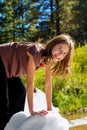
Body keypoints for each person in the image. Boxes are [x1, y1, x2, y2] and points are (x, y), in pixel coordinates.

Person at [0, 34, 75, 129]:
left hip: (8, 70)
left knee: (19, 92)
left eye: (64, 53)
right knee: (3, 101)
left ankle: (12, 125)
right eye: (59, 48)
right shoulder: (35, 54)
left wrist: (49, 109)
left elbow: (48, 85)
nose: (60, 54)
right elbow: (30, 84)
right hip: (2, 60)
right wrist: (32, 111)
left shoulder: (48, 59)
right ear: (52, 45)